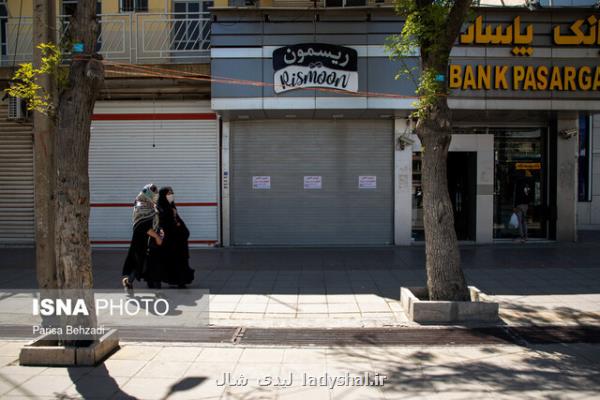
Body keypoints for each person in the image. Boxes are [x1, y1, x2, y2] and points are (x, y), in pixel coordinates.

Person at [121, 183, 162, 292]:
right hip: (141, 241)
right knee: (139, 264)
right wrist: (157, 236)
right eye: (153, 192)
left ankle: (154, 286)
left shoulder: (151, 204)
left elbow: (154, 220)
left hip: (149, 241)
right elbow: (142, 226)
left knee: (148, 264)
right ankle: (129, 282)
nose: (155, 195)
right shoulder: (141, 204)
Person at [153, 186, 194, 288]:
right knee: (169, 261)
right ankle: (160, 280)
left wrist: (181, 228)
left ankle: (181, 281)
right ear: (163, 195)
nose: (171, 195)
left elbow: (176, 219)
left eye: (172, 193)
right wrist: (175, 224)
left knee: (180, 261)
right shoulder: (160, 207)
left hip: (178, 239)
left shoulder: (171, 206)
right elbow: (162, 223)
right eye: (168, 193)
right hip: (169, 240)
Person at [513, 177, 534, 243]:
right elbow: (530, 196)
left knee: (520, 221)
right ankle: (526, 236)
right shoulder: (527, 187)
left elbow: (516, 196)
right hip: (526, 205)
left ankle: (521, 236)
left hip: (519, 205)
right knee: (524, 221)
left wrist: (514, 206)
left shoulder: (518, 186)